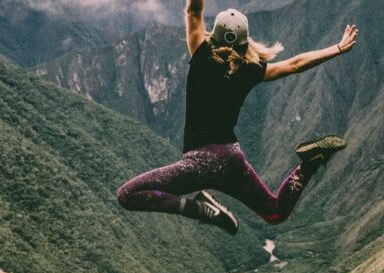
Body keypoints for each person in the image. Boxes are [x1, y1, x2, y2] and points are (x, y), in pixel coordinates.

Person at [117, 0, 359, 234]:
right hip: (232, 159)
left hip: (200, 163)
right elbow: (295, 64)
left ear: (214, 36)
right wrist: (337, 48)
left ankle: (201, 210)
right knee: (275, 212)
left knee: (127, 195)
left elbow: (193, 10)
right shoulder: (251, 70)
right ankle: (309, 164)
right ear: (246, 43)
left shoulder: (202, 56)